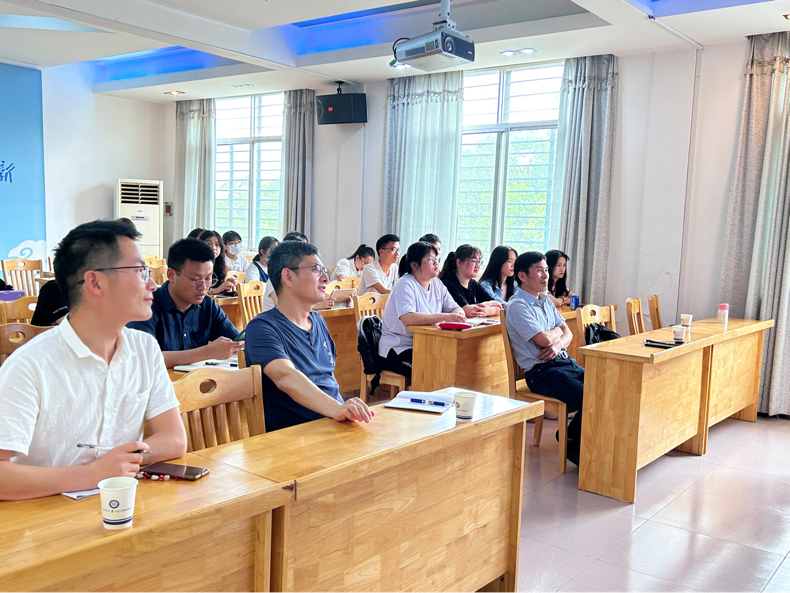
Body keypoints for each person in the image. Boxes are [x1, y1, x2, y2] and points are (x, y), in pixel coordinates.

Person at [0, 220, 187, 500]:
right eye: (139, 271)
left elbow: (174, 440)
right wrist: (94, 473)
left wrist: (119, 463)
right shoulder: (29, 365)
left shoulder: (144, 348)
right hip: (43, 515)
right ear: (95, 282)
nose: (152, 284)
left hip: (118, 505)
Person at [245, 241, 373, 432]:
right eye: (315, 270)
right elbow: (286, 377)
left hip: (335, 424)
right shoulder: (262, 328)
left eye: (323, 270)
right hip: (298, 435)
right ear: (288, 276)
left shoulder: (317, 320)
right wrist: (336, 408)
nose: (326, 278)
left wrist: (344, 409)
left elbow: (326, 379)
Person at [505, 251, 583, 467]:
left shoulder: (545, 300)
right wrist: (557, 334)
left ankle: (577, 438)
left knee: (604, 387)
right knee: (589, 396)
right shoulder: (518, 305)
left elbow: (568, 332)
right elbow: (543, 340)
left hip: (564, 363)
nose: (546, 275)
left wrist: (557, 344)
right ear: (522, 276)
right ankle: (572, 442)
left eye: (546, 270)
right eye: (539, 270)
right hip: (541, 373)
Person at [128, 239, 243, 368]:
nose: (203, 287)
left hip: (199, 379)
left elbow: (236, 340)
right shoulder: (147, 306)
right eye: (195, 279)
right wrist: (207, 352)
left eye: (208, 278)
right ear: (171, 275)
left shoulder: (208, 305)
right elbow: (144, 358)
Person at [379, 242, 466, 381]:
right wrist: (444, 317)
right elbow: (408, 318)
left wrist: (459, 314)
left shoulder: (437, 283)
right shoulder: (405, 284)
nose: (436, 263)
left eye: (437, 259)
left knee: (453, 363)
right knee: (432, 371)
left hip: (425, 344)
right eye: (431, 260)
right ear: (414, 265)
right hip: (399, 348)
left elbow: (454, 307)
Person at [261, 232, 333, 313]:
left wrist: (344, 295)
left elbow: (331, 295)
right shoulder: (277, 278)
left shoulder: (315, 318)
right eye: (315, 269)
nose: (326, 279)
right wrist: (315, 306)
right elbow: (283, 306)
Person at [439, 244, 502, 318]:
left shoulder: (474, 284)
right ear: (459, 263)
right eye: (473, 261)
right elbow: (468, 311)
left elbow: (498, 306)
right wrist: (487, 306)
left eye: (479, 261)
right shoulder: (448, 284)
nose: (477, 265)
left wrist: (488, 311)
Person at [199, 230, 237, 296]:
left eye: (217, 245)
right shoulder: (196, 267)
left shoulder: (219, 266)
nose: (213, 248)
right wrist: (216, 290)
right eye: (208, 244)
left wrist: (226, 285)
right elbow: (195, 291)